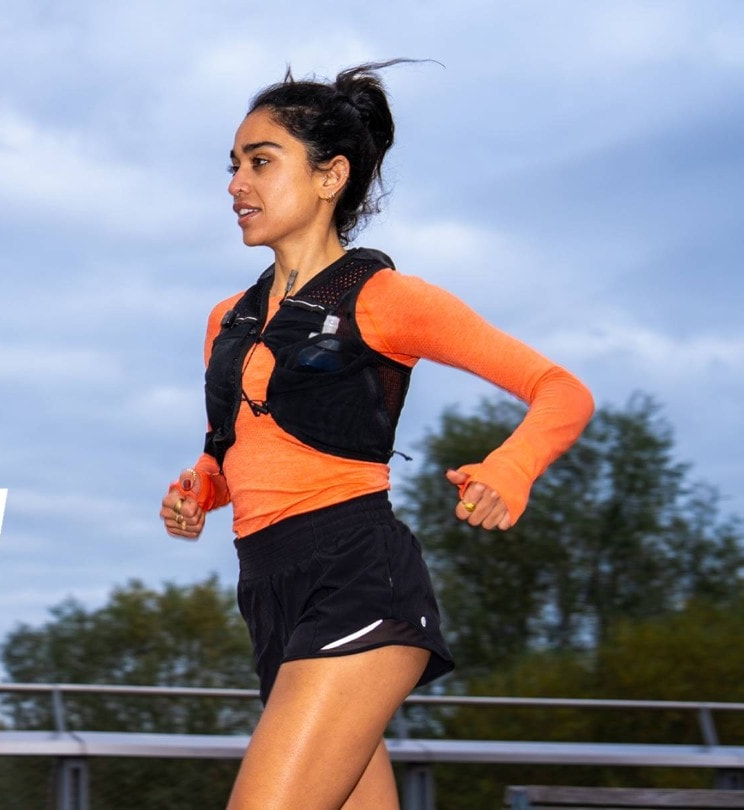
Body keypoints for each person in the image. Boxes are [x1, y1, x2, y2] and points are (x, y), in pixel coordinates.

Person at [159, 60, 594, 809]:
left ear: (331, 177)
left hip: (355, 576)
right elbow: (232, 450)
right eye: (233, 166)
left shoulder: (387, 300)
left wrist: (512, 467)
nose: (236, 184)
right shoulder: (225, 320)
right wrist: (200, 487)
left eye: (262, 163)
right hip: (268, 592)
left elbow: (561, 391)